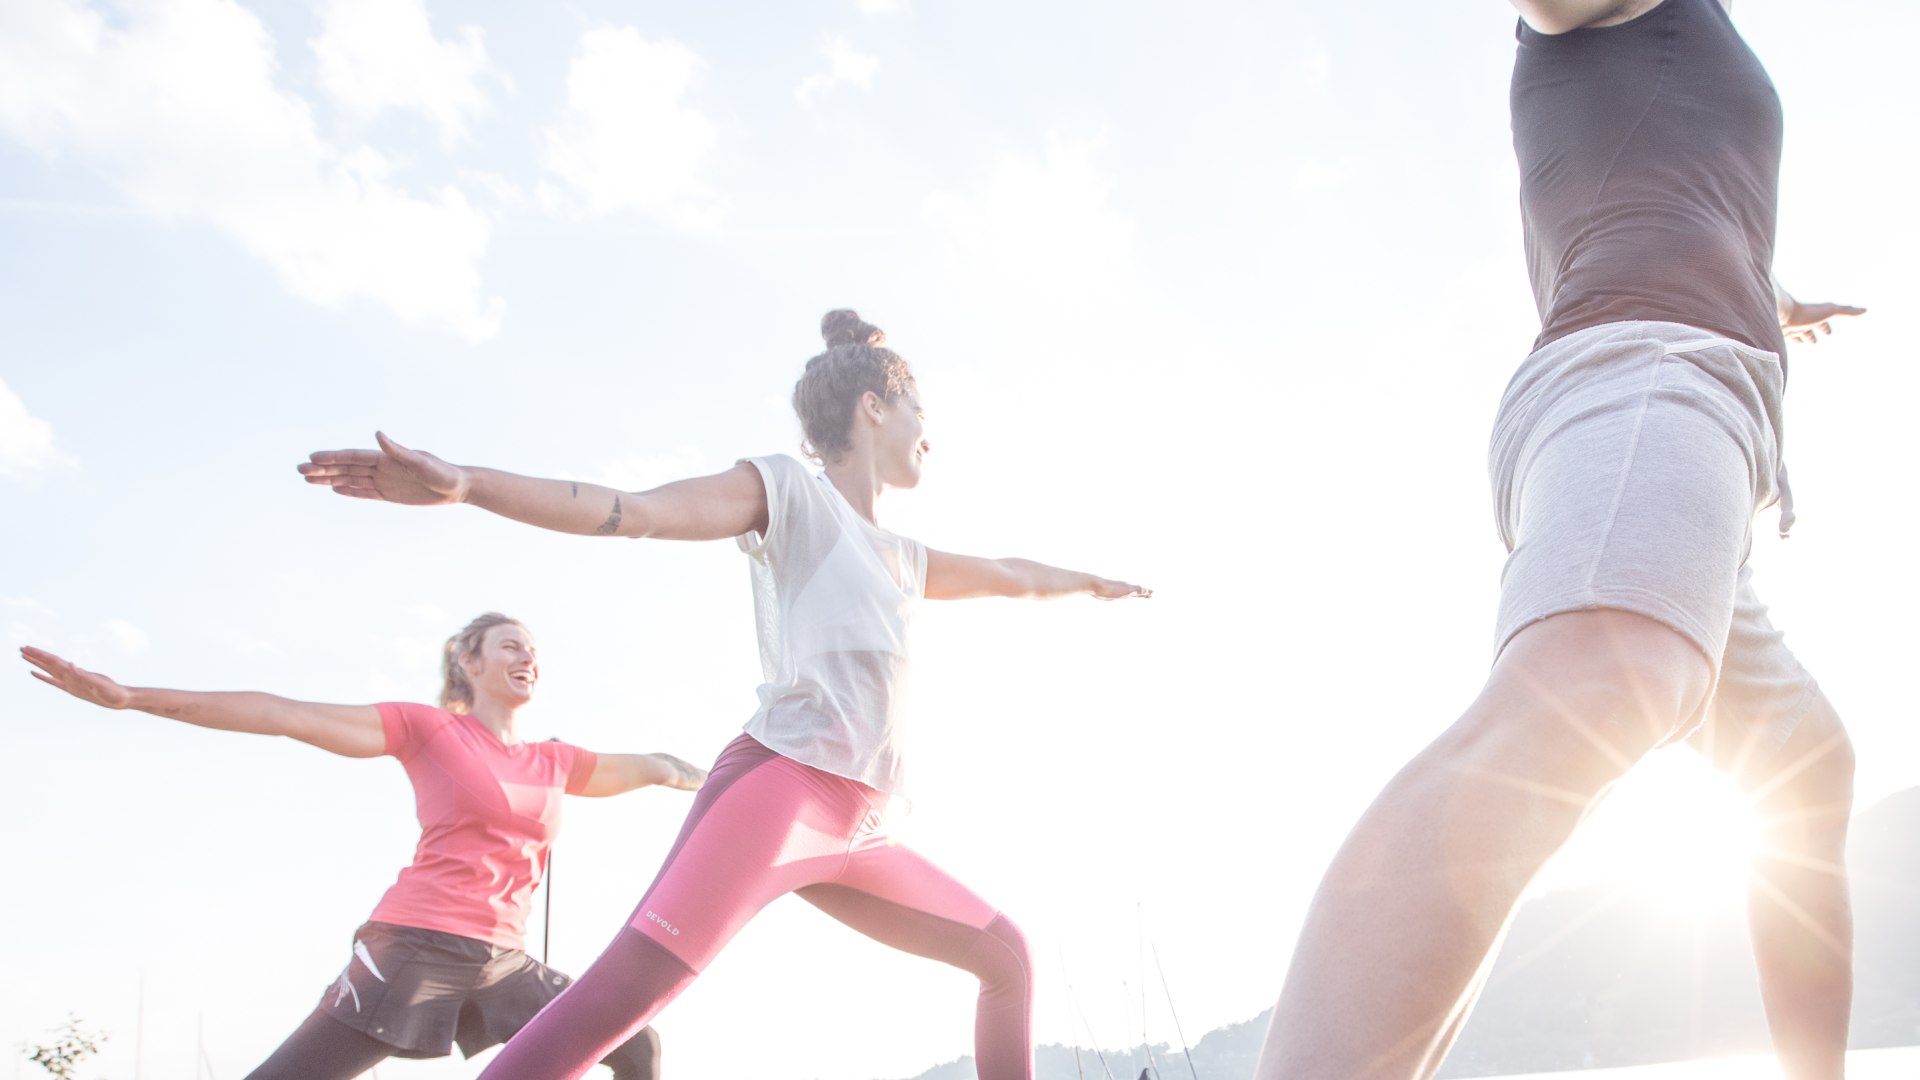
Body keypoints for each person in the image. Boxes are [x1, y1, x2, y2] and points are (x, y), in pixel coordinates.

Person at [297, 309, 1150, 1080]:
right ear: (875, 408)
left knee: (1008, 958)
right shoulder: (788, 494)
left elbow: (1010, 575)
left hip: (868, 824)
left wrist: (1093, 583)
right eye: (922, 411)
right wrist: (469, 484)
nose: (932, 433)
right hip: (779, 796)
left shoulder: (906, 559)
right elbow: (633, 510)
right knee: (587, 1028)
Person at [1254, 3, 1863, 1079]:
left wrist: (1774, 300)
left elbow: (1677, 179)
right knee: (1591, 692)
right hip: (1647, 390)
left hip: (1694, 436)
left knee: (1803, 764)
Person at [21, 613, 705, 1080]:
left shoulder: (555, 762)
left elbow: (659, 766)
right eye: (508, 644)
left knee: (635, 1041)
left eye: (531, 648)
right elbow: (284, 714)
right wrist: (131, 697)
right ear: (466, 662)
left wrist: (758, 786)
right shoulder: (428, 729)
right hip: (416, 946)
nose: (527, 655)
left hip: (505, 965)